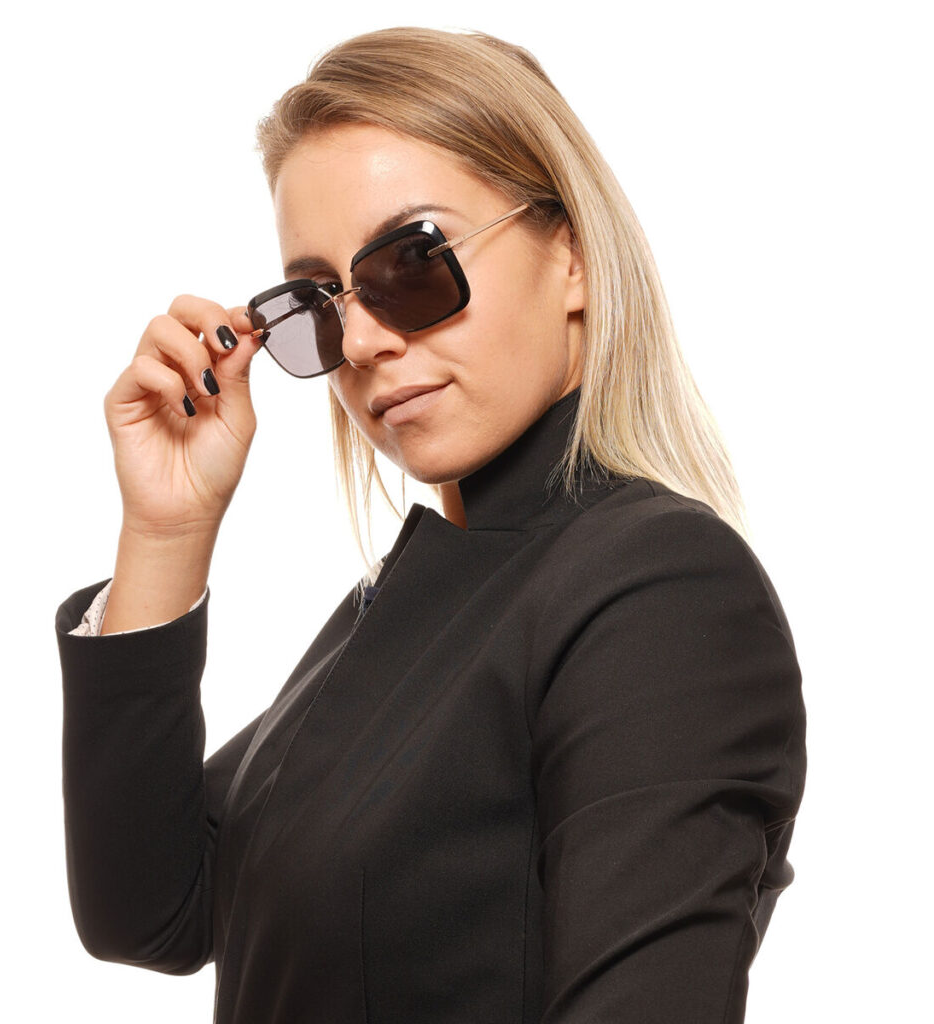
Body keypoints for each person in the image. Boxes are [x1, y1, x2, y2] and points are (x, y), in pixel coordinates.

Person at [56, 26, 807, 1024]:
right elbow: (151, 909)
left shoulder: (658, 591)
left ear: (572, 255)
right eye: (320, 303)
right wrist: (165, 532)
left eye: (414, 261)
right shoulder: (403, 606)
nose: (365, 340)